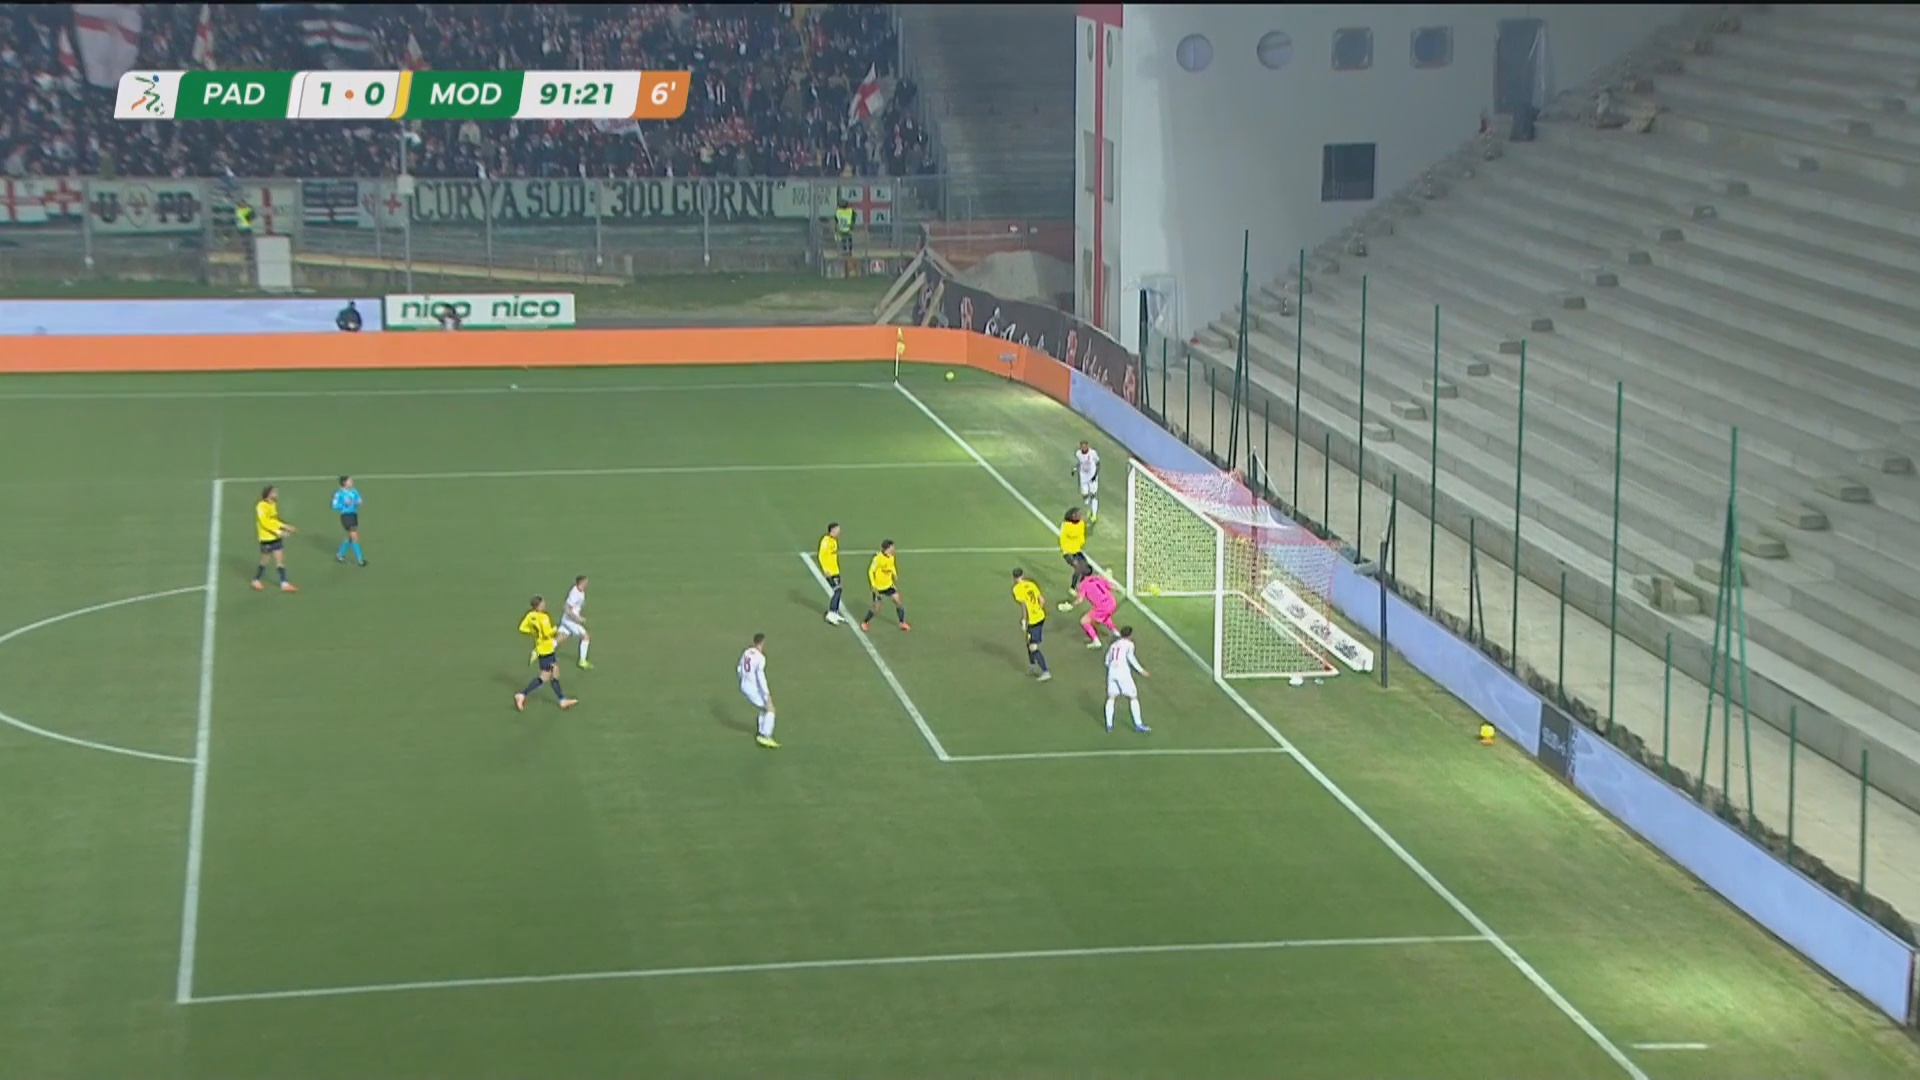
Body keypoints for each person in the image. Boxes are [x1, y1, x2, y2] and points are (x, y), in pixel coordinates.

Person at [515, 596, 579, 711]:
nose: (545, 605)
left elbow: (522, 628)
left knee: (553, 673)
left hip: (541, 649)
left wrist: (534, 632)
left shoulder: (530, 616)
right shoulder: (544, 617)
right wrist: (555, 629)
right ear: (538, 606)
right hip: (547, 650)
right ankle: (522, 694)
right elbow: (547, 633)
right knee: (546, 676)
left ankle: (562, 700)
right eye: (543, 603)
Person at [1104, 626, 1151, 733]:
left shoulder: (1113, 645)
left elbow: (1107, 661)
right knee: (1133, 697)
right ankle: (1138, 724)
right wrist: (1141, 670)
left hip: (1111, 672)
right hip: (1123, 673)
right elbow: (1131, 658)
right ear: (1130, 635)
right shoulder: (1129, 644)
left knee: (1111, 698)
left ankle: (1109, 725)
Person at [252, 485, 297, 592]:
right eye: (274, 492)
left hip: (275, 538)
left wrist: (285, 526)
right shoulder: (261, 506)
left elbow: (274, 520)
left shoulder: (273, 504)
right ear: (268, 494)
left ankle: (284, 583)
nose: (276, 494)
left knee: (280, 560)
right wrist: (279, 532)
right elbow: (265, 523)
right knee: (265, 560)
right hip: (266, 538)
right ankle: (256, 580)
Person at [1011, 568, 1052, 682]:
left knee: (1033, 647)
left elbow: (1024, 606)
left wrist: (1024, 620)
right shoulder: (1031, 584)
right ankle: (1033, 665)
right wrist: (1038, 610)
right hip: (1040, 616)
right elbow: (1042, 600)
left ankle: (1045, 671)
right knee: (1028, 641)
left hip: (1033, 620)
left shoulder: (1017, 589)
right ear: (1023, 575)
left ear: (1014, 578)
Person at [739, 632, 777, 748]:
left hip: (744, 684)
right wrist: (767, 694)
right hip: (753, 688)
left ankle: (761, 731)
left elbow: (739, 668)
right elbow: (761, 677)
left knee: (763, 708)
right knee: (770, 709)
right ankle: (766, 736)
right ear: (762, 643)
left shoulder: (746, 652)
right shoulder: (760, 658)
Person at [861, 540, 908, 632]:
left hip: (889, 585)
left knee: (898, 601)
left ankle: (902, 622)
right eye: (892, 547)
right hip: (879, 588)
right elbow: (871, 571)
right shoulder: (877, 558)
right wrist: (873, 584)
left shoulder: (891, 556)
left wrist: (894, 573)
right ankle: (865, 622)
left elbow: (892, 566)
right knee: (876, 608)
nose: (894, 549)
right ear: (887, 549)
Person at [1076, 569, 1121, 648]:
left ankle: (1096, 641)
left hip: (1102, 606)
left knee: (1084, 621)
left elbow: (1080, 600)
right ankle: (1116, 632)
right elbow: (1113, 587)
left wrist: (1071, 604)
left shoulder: (1083, 585)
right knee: (1104, 617)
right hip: (1112, 603)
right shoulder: (1098, 578)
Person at [1056, 508, 1089, 609]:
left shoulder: (1081, 524)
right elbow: (1062, 539)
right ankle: (1072, 588)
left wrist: (1080, 543)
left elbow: (1082, 536)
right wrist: (1065, 549)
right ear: (1072, 516)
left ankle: (1082, 586)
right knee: (1078, 567)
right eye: (1077, 514)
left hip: (1077, 550)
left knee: (1086, 569)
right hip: (1068, 552)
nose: (1080, 516)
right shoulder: (1066, 525)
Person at [558, 575, 592, 669]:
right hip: (570, 621)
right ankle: (582, 661)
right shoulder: (575, 593)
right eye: (586, 582)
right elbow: (566, 608)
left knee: (560, 638)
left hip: (567, 620)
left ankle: (540, 652)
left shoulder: (580, 591)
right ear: (581, 582)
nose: (587, 584)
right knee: (585, 637)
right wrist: (578, 619)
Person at [331, 475, 366, 566]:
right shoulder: (339, 494)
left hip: (353, 515)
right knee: (354, 536)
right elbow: (334, 505)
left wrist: (358, 502)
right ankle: (360, 560)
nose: (352, 482)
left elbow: (359, 499)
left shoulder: (354, 491)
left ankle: (340, 554)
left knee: (350, 538)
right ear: (344, 483)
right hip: (346, 516)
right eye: (349, 481)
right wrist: (344, 504)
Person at [819, 522, 846, 624]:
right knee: (837, 590)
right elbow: (821, 555)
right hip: (830, 572)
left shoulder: (834, 541)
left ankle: (835, 612)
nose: (839, 531)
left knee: (839, 590)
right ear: (832, 530)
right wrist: (825, 569)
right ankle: (831, 613)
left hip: (835, 570)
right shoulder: (825, 541)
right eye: (838, 530)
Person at [1073, 440, 1101, 523]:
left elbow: (1098, 464)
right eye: (1082, 446)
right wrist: (1075, 469)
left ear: (1087, 446)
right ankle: (1089, 509)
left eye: (1085, 446)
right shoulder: (1078, 454)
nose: (1084, 447)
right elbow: (1080, 463)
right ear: (1080, 447)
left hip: (1092, 477)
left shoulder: (1093, 453)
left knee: (1093, 494)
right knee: (1085, 495)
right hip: (1083, 477)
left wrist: (1095, 475)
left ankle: (1094, 515)